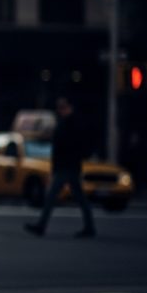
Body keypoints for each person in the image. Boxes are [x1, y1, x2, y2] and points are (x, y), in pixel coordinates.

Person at [24, 96, 96, 238]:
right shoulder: (66, 123)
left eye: (63, 107)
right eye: (59, 107)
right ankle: (89, 227)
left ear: (69, 107)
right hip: (67, 166)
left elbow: (74, 146)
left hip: (68, 166)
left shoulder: (73, 123)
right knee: (78, 198)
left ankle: (41, 226)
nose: (60, 110)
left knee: (52, 196)